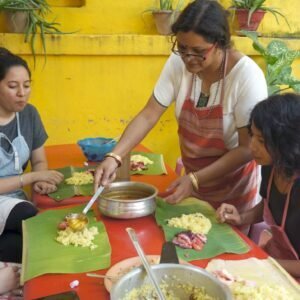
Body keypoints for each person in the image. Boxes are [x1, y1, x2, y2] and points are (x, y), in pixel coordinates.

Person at [94, 0, 267, 214]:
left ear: (220, 43)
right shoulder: (178, 63)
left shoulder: (246, 76)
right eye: (182, 48)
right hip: (192, 189)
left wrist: (195, 178)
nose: (188, 58)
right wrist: (115, 157)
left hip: (232, 199)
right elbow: (149, 114)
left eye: (198, 51)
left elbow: (246, 148)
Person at [217, 93, 300, 278]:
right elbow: (269, 204)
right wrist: (241, 217)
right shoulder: (272, 166)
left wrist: (264, 262)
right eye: (252, 135)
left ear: (287, 142)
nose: (252, 146)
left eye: (262, 141)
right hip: (274, 260)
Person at [0, 48, 64, 263]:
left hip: (14, 199)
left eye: (26, 85)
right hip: (12, 205)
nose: (22, 93)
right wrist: (31, 178)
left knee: (23, 247)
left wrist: (41, 179)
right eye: (12, 86)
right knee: (32, 219)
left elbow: (39, 160)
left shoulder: (29, 114)